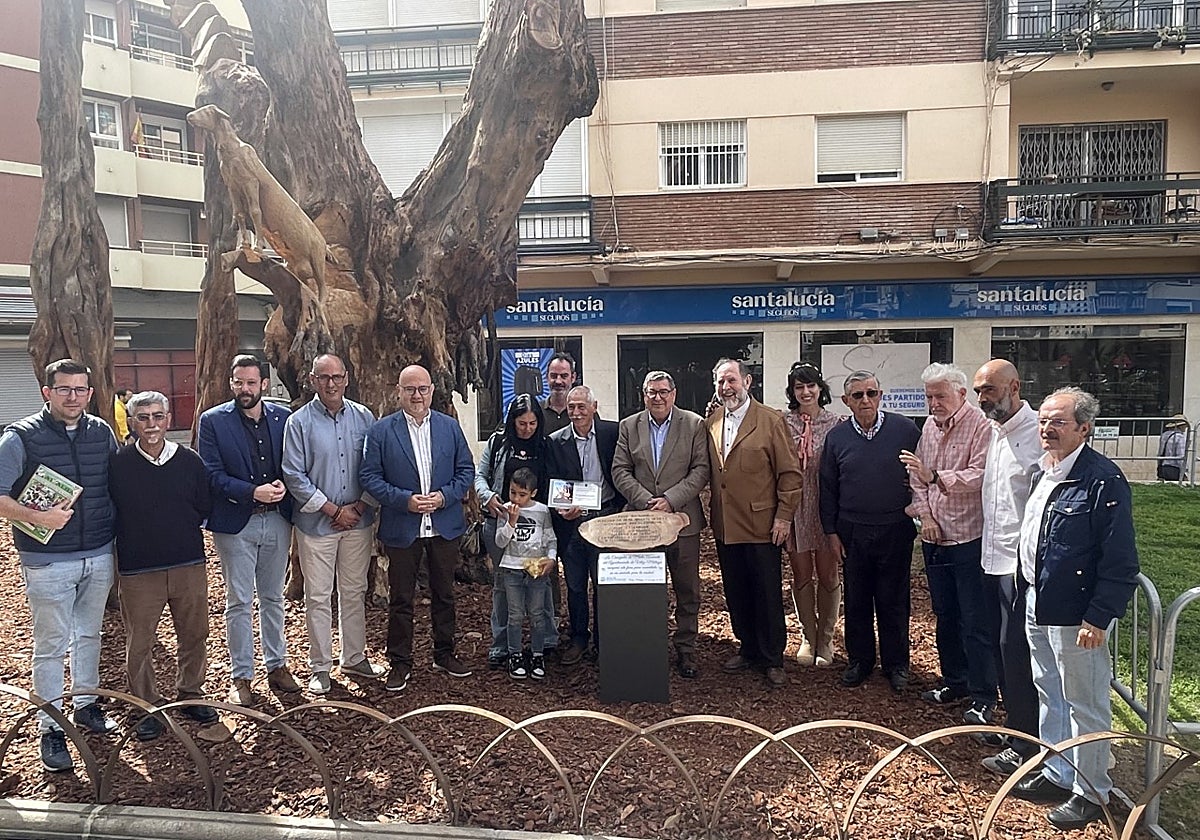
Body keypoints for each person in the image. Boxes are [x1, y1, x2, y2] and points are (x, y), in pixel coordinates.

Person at [1010, 387, 1139, 831]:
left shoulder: (1103, 480)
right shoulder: (1043, 472)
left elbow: (1120, 559)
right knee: (1051, 693)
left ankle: (1091, 791)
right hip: (1037, 601)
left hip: (1076, 614)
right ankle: (1058, 772)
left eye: (1058, 421)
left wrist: (1099, 616)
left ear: (1084, 428)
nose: (1047, 429)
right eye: (1044, 420)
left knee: (1085, 703)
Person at [0, 359, 118, 772]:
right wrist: (38, 518)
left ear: (90, 393)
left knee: (89, 634)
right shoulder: (19, 438)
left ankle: (86, 704)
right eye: (64, 389)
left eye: (80, 390)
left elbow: (116, 484)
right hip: (48, 560)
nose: (73, 397)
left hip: (99, 552)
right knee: (51, 645)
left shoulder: (101, 432)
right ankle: (50, 727)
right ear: (46, 392)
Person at [108, 391, 218, 741]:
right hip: (139, 569)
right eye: (143, 417)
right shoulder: (119, 464)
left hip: (187, 562)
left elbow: (203, 504)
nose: (152, 424)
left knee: (195, 632)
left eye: (158, 416)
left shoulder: (190, 461)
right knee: (140, 641)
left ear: (168, 420)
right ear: (133, 421)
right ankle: (146, 705)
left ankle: (190, 693)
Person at [360, 364, 475, 691]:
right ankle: (400, 662)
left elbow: (465, 471)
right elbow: (369, 477)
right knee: (401, 599)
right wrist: (404, 500)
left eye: (422, 389)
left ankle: (444, 653)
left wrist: (444, 497)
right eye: (410, 389)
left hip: (443, 524)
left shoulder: (449, 427)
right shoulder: (382, 431)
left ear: (432, 391)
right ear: (399, 391)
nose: (417, 395)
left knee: (445, 594)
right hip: (403, 525)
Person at [198, 355, 300, 705]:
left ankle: (277, 665)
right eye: (239, 382)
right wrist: (251, 491)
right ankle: (242, 675)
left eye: (251, 383)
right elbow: (210, 475)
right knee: (239, 601)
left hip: (277, 519)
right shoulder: (212, 422)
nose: (245, 389)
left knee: (273, 598)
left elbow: (294, 465)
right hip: (234, 522)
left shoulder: (283, 418)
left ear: (264, 384)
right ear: (231, 383)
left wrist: (284, 487)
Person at [281, 354, 383, 695]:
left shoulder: (364, 417)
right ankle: (321, 667)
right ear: (312, 380)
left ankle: (354, 657)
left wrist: (359, 506)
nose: (331, 384)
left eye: (336, 377)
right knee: (318, 596)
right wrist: (331, 510)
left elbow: (375, 466)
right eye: (323, 377)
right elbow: (294, 476)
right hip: (316, 525)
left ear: (347, 378)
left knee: (355, 592)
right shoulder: (298, 423)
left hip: (358, 520)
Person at [900, 363, 997, 723]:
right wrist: (925, 518)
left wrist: (936, 476)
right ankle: (955, 681)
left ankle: (984, 694)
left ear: (961, 394)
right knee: (945, 615)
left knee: (975, 620)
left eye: (939, 396)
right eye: (928, 397)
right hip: (934, 537)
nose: (933, 403)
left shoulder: (982, 426)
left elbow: (980, 476)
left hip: (970, 537)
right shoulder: (928, 426)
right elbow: (916, 479)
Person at [820, 370, 921, 692]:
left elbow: (922, 474)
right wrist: (831, 532)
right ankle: (860, 661)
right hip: (853, 531)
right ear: (846, 401)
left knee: (894, 601)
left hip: (894, 528)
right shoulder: (836, 438)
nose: (866, 400)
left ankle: (896, 665)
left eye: (872, 393)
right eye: (858, 395)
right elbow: (828, 489)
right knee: (857, 599)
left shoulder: (905, 430)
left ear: (881, 395)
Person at [706, 359, 802, 688]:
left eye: (731, 380)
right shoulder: (713, 421)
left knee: (766, 592)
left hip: (762, 524)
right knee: (736, 591)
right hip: (726, 524)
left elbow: (789, 473)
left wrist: (784, 516)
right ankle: (747, 648)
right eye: (720, 382)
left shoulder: (770, 420)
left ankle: (773, 657)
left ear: (747, 382)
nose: (726, 387)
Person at [611, 370, 710, 679]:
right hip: (642, 524)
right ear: (644, 395)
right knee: (645, 588)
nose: (658, 397)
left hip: (682, 521)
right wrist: (645, 501)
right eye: (652, 392)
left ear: (674, 394)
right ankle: (648, 645)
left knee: (687, 589)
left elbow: (701, 469)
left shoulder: (693, 424)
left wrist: (669, 499)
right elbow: (620, 469)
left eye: (663, 391)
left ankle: (686, 649)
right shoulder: (629, 426)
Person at [972, 359, 1042, 774]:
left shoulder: (1038, 435)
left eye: (990, 390)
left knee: (1019, 654)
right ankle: (1016, 726)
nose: (984, 398)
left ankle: (1028, 745)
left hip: (1021, 567)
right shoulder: (996, 432)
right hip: (992, 559)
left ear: (1014, 387)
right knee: (1001, 650)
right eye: (980, 390)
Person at [475, 394, 556, 668]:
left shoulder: (545, 446)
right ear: (513, 421)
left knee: (541, 585)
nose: (527, 429)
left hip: (537, 526)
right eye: (522, 423)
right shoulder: (498, 443)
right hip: (500, 522)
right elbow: (480, 475)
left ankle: (544, 641)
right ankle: (501, 646)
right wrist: (488, 497)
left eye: (533, 423)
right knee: (502, 585)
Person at [546, 385, 625, 665]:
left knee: (603, 584)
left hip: (605, 518)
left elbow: (624, 470)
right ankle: (579, 638)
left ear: (594, 406)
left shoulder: (612, 433)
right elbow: (553, 481)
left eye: (582, 407)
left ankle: (605, 643)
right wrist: (562, 508)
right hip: (572, 524)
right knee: (576, 586)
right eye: (571, 407)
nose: (576, 413)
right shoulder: (556, 441)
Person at [781, 362, 844, 668]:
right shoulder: (783, 423)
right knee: (802, 572)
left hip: (826, 505)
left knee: (828, 572)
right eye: (799, 387)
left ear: (821, 388)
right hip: (796, 506)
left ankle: (826, 639)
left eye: (811, 386)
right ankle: (808, 635)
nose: (806, 392)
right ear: (792, 392)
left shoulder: (837, 424)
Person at [494, 467, 557, 681]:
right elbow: (500, 541)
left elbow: (550, 537)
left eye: (522, 494)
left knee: (538, 613)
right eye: (513, 493)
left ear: (533, 493)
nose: (516, 499)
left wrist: (551, 558)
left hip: (536, 569)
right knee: (515, 614)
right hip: (512, 569)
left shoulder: (542, 511)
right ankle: (515, 654)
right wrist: (511, 521)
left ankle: (538, 654)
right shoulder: (506, 510)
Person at [541, 352, 577, 434]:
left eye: (564, 376)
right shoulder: (536, 411)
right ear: (547, 377)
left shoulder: (583, 412)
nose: (558, 381)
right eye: (553, 376)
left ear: (573, 377)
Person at [1156, 414, 1188, 482]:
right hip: (1174, 468)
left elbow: (1160, 453)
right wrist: (1184, 472)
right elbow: (1180, 456)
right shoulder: (1180, 437)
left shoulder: (1164, 435)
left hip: (1163, 467)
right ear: (1181, 426)